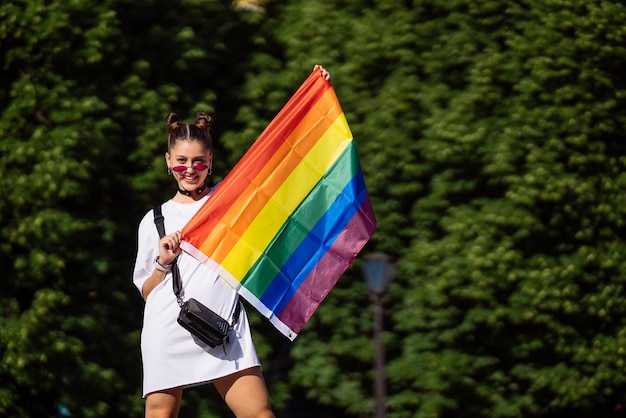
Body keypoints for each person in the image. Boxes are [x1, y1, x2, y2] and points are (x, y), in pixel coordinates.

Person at [133, 66, 330, 418]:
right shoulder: (154, 220)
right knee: (161, 414)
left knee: (259, 412)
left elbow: (280, 166)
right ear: (168, 162)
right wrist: (163, 261)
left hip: (225, 324)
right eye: (180, 163)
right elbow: (148, 292)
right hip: (168, 326)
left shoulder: (233, 202)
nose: (189, 170)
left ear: (210, 162)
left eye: (198, 162)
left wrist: (316, 98)